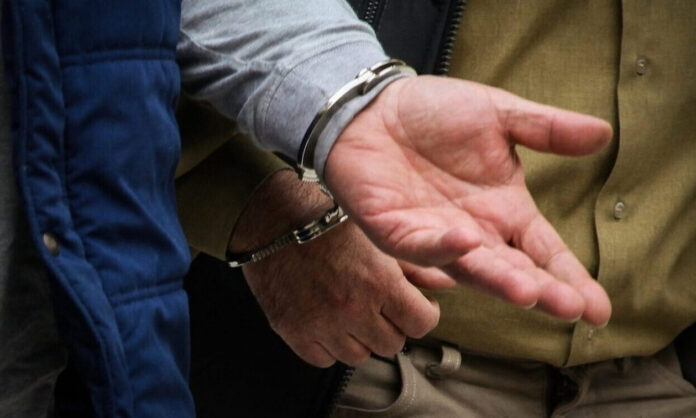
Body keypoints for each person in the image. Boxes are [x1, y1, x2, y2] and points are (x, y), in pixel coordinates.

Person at [1, 1, 621, 417]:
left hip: (649, 377)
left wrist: (357, 98)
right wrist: (257, 203)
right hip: (349, 369)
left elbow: (113, 30)